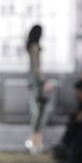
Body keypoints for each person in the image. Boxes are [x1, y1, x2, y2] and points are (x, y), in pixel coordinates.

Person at [25, 24, 53, 154]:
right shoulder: (35, 47)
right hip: (37, 83)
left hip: (34, 82)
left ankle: (35, 140)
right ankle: (35, 141)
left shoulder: (32, 47)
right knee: (39, 112)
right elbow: (36, 67)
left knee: (37, 112)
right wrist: (44, 81)